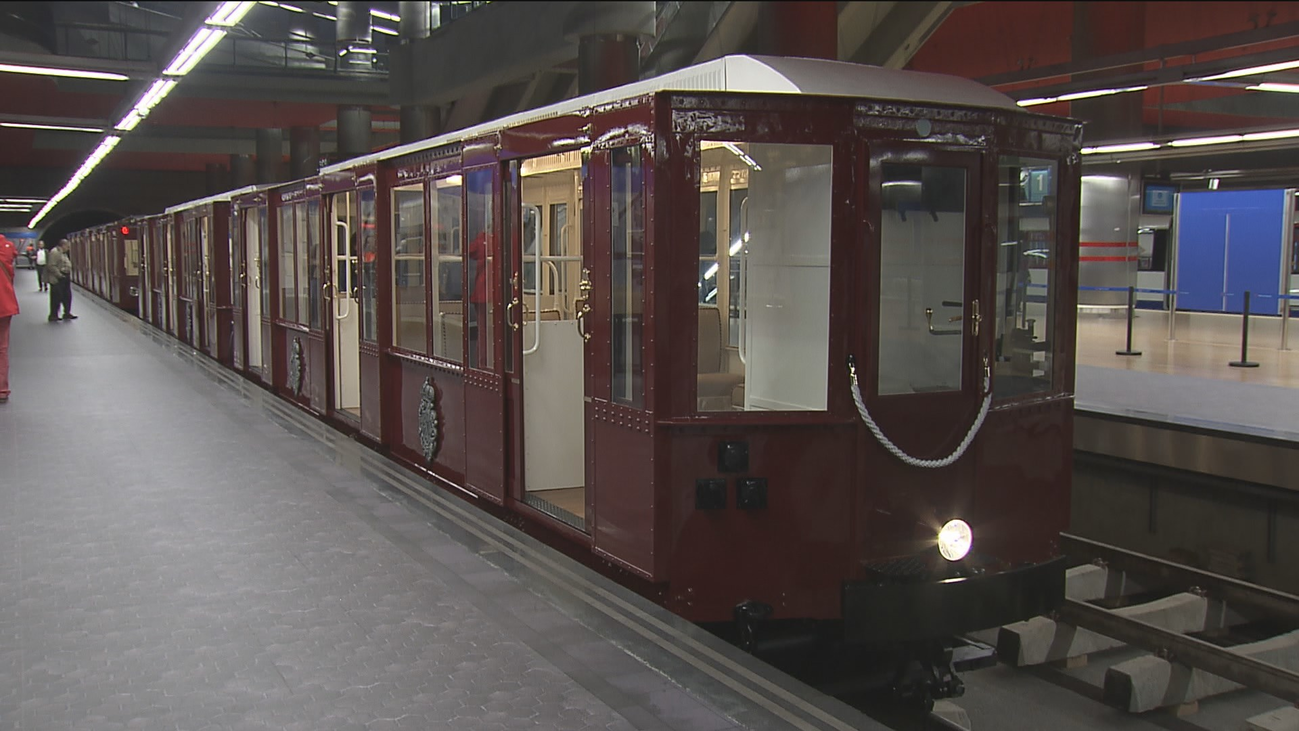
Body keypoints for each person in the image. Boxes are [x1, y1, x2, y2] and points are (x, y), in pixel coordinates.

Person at [0, 234, 18, 402]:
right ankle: (2, 389)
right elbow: (13, 257)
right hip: (4, 303)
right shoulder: (7, 246)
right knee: (2, 348)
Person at [46, 239, 77, 322]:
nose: (68, 248)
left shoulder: (63, 253)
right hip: (57, 279)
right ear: (63, 245)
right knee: (56, 297)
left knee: (67, 296)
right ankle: (53, 315)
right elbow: (51, 266)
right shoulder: (55, 252)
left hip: (64, 277)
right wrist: (59, 275)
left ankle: (67, 313)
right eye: (67, 246)